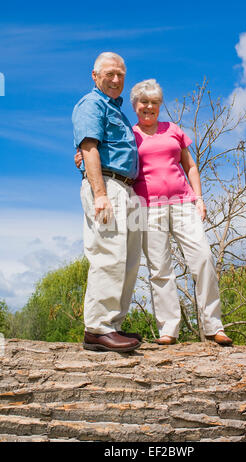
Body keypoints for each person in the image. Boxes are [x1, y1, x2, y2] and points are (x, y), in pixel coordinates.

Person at [75, 78, 232, 347]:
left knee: (203, 258)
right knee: (160, 270)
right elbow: (107, 151)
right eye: (144, 102)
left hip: (183, 203)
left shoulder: (173, 130)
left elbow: (190, 166)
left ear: (160, 105)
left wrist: (199, 198)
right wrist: (81, 154)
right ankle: (168, 329)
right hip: (148, 208)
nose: (149, 107)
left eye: (155, 102)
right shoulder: (130, 134)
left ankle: (213, 325)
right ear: (135, 105)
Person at [72, 52, 142, 353]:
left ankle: (113, 324)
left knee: (128, 261)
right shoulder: (92, 103)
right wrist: (100, 194)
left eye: (121, 75)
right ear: (95, 75)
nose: (116, 80)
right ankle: (98, 329)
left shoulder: (118, 110)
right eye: (110, 73)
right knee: (108, 253)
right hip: (108, 186)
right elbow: (88, 146)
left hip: (126, 188)